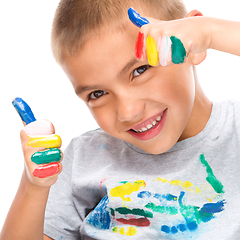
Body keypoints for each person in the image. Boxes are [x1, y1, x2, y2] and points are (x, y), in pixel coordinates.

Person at [1, 0, 240, 239]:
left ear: (192, 46)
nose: (128, 112)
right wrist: (34, 187)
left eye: (140, 69)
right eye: (97, 94)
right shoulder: (84, 158)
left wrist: (209, 31)